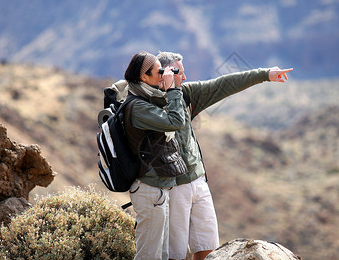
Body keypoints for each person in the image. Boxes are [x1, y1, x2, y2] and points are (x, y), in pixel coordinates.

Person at [156, 51, 293, 260]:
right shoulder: (150, 103)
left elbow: (224, 84)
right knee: (176, 253)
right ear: (164, 73)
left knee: (208, 247)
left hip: (198, 181)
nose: (184, 77)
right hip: (174, 187)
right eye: (179, 73)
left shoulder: (187, 93)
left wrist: (265, 74)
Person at [121, 51, 188, 260]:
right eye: (158, 71)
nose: (163, 74)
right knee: (149, 256)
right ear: (143, 77)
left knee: (161, 255)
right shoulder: (138, 107)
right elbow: (176, 121)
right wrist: (174, 90)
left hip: (157, 190)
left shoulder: (147, 99)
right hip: (149, 190)